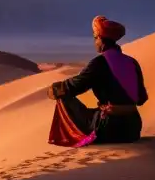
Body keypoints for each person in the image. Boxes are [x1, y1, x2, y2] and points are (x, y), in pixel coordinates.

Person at [47, 15, 148, 146]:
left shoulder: (99, 63)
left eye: (95, 38)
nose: (95, 42)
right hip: (133, 130)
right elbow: (141, 99)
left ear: (100, 39)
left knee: (63, 96)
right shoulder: (132, 62)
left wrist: (56, 88)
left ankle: (69, 137)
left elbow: (76, 86)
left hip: (109, 129)